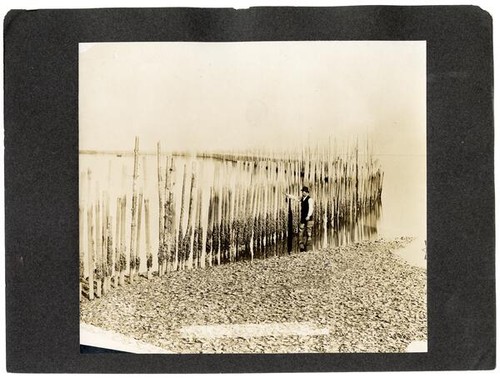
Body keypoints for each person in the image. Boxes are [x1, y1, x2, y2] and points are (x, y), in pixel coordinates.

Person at [286, 186, 314, 252]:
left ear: (307, 192)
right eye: (302, 192)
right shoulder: (302, 198)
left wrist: (308, 215)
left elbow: (311, 208)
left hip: (308, 217)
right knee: (301, 229)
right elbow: (295, 198)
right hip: (303, 217)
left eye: (304, 192)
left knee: (308, 230)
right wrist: (288, 195)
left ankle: (308, 245)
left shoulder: (310, 199)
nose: (302, 193)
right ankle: (301, 242)